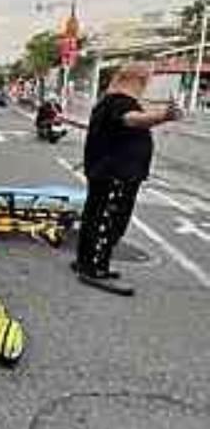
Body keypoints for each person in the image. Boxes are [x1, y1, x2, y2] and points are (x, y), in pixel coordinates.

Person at [75, 62, 181, 285]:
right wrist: (164, 115)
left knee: (97, 216)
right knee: (108, 220)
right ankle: (94, 268)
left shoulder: (110, 100)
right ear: (137, 80)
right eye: (146, 81)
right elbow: (131, 119)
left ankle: (87, 261)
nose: (147, 87)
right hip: (116, 174)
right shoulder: (119, 102)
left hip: (110, 172)